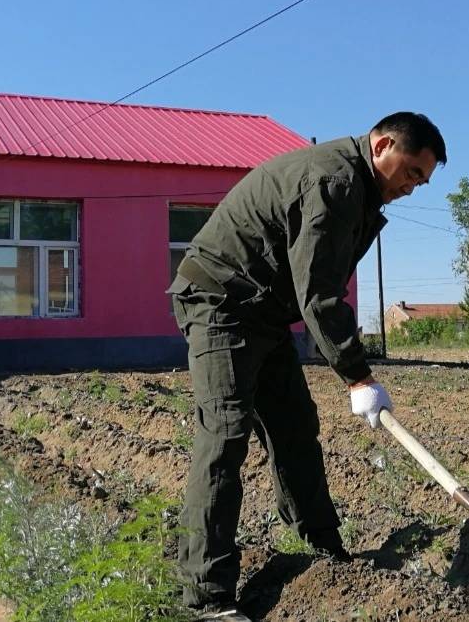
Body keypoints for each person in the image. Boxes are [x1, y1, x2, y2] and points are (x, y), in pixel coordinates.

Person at [168, 112, 447, 621]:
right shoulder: (335, 182)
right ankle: (207, 598)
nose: (412, 188)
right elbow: (318, 295)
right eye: (411, 172)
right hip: (220, 302)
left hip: (263, 314)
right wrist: (358, 376)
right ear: (383, 144)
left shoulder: (357, 187)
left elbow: (312, 288)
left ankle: (322, 549)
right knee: (225, 437)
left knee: (295, 427)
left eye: (421, 181)